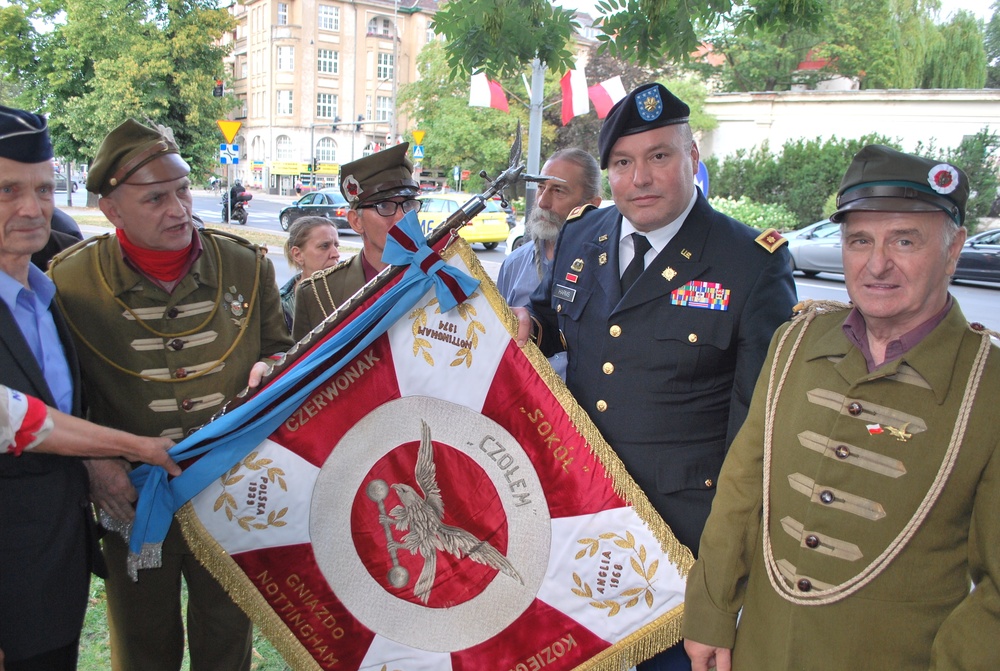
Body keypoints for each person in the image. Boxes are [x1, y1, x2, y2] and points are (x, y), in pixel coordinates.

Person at [514, 83, 797, 670]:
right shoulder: (582, 235)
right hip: (575, 523)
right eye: (622, 163)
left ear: (693, 157)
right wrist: (525, 322)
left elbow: (756, 435)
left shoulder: (750, 262)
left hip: (676, 553)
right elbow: (549, 318)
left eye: (659, 157)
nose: (639, 178)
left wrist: (723, 587)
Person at [683, 146, 1000, 670]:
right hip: (758, 653)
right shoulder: (794, 344)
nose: (877, 264)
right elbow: (741, 490)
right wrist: (711, 614)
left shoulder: (987, 386)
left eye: (904, 240)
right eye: (859, 241)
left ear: (953, 249)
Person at [48, 118, 292, 671]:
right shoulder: (70, 281)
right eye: (156, 198)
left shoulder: (246, 265)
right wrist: (93, 461)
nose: (179, 209)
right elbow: (58, 392)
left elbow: (282, 350)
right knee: (142, 644)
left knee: (227, 639)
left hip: (229, 493)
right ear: (111, 210)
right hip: (130, 497)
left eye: (182, 190)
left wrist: (272, 365)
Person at [0, 105, 176, 671]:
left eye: (44, 188)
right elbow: (21, 419)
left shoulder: (47, 294)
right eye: (7, 191)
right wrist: (136, 447)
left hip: (54, 574)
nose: (32, 208)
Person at [293, 142, 421, 340]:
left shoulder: (441, 277)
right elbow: (304, 367)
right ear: (356, 221)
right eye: (385, 206)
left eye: (409, 204)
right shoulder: (318, 293)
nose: (401, 217)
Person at [497, 148, 602, 379]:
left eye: (559, 191)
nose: (543, 202)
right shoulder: (514, 264)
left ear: (591, 204)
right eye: (541, 188)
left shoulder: (606, 268)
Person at [280, 216, 341, 332]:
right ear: (297, 255)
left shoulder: (353, 290)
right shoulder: (281, 306)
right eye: (324, 246)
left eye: (336, 246)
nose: (335, 254)